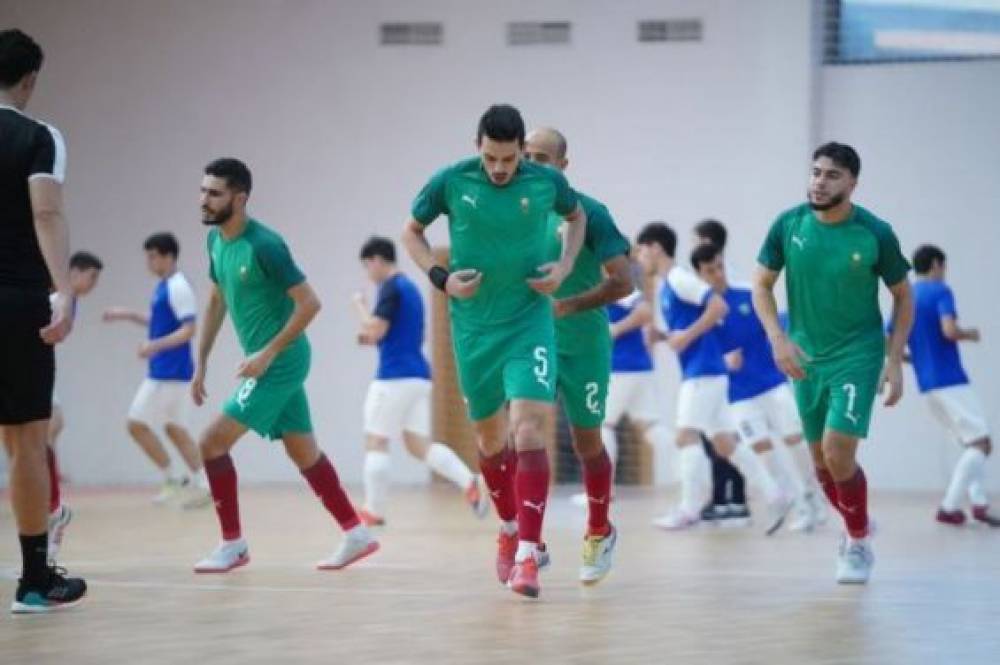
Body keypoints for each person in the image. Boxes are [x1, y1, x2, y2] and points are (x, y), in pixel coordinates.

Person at [401, 105, 586, 598]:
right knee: (489, 440)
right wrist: (440, 279)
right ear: (476, 146)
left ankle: (528, 553)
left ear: (521, 150)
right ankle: (507, 528)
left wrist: (565, 266)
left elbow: (577, 215)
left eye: (508, 159)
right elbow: (411, 232)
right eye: (491, 158)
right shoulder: (450, 181)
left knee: (528, 428)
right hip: (473, 330)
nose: (500, 168)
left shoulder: (545, 181)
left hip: (529, 321)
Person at [191, 158, 378, 573]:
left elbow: (310, 303)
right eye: (202, 191)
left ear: (239, 198)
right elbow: (217, 300)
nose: (204, 200)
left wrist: (268, 353)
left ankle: (233, 544)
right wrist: (200, 360)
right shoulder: (216, 242)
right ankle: (356, 532)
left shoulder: (265, 246)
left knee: (210, 442)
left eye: (214, 193)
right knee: (303, 451)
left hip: (282, 361)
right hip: (270, 362)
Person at [754, 142, 913, 584]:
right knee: (821, 464)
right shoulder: (789, 224)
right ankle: (853, 524)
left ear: (852, 184)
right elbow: (761, 286)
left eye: (831, 176)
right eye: (815, 172)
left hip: (857, 354)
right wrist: (777, 339)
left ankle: (857, 540)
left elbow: (903, 296)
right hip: (804, 355)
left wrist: (894, 359)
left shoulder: (875, 233)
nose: (819, 182)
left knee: (837, 449)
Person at [0, 28, 87, 612]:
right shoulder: (38, 136)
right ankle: (34, 582)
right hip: (16, 300)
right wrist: (64, 290)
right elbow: (47, 211)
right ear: (30, 80)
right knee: (27, 441)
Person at [525, 126, 632, 584]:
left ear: (563, 166)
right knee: (523, 433)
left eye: (543, 157)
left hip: (584, 342)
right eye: (527, 155)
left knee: (586, 442)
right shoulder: (515, 213)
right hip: (532, 341)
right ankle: (529, 541)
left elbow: (624, 282)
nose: (533, 163)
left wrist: (567, 305)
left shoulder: (591, 212)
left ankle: (598, 530)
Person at [638, 224, 790, 534]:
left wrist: (684, 337)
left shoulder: (679, 278)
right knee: (724, 443)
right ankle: (775, 494)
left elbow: (717, 305)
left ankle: (688, 508)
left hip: (703, 372)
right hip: (708, 371)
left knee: (685, 437)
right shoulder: (670, 285)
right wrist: (665, 335)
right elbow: (690, 325)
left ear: (655, 248)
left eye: (641, 250)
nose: (639, 258)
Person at [352, 235, 488, 525]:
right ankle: (470, 481)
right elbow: (410, 335)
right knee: (419, 446)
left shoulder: (390, 288)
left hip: (393, 377)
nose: (368, 273)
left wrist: (359, 306)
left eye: (367, 266)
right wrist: (373, 336)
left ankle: (373, 511)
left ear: (377, 260)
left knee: (376, 440)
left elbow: (375, 330)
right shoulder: (412, 289)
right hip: (418, 377)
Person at [692, 242, 827, 533]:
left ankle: (814, 497)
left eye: (719, 266)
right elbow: (698, 350)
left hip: (772, 384)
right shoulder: (701, 311)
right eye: (709, 271)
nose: (717, 274)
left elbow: (778, 324)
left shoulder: (747, 296)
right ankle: (796, 503)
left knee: (796, 442)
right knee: (761, 449)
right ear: (699, 275)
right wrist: (723, 359)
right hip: (738, 396)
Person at [103, 233, 210, 509]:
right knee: (175, 429)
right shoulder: (164, 287)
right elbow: (161, 321)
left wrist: (153, 346)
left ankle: (174, 479)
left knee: (135, 424)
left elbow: (189, 329)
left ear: (168, 256)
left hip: (168, 372)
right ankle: (205, 485)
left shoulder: (178, 287)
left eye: (152, 256)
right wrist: (126, 314)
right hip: (171, 372)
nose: (149, 262)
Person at [904, 245, 998, 527]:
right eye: (943, 267)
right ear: (935, 265)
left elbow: (890, 342)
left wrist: (917, 359)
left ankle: (979, 503)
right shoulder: (940, 291)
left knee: (969, 442)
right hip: (950, 380)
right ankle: (949, 507)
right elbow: (949, 330)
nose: (944, 273)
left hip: (927, 385)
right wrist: (970, 334)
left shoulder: (905, 296)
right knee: (982, 443)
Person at [692, 219, 749, 525]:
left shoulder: (724, 285)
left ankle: (730, 499)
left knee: (721, 435)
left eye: (696, 241)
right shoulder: (709, 283)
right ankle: (727, 499)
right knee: (721, 436)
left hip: (727, 376)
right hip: (719, 372)